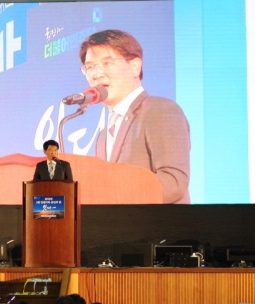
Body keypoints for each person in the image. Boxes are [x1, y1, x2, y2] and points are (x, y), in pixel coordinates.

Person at [79, 29, 190, 204]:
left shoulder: (159, 110)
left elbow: (173, 182)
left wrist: (113, 199)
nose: (96, 74)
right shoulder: (102, 136)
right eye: (90, 67)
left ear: (135, 66)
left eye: (107, 63)